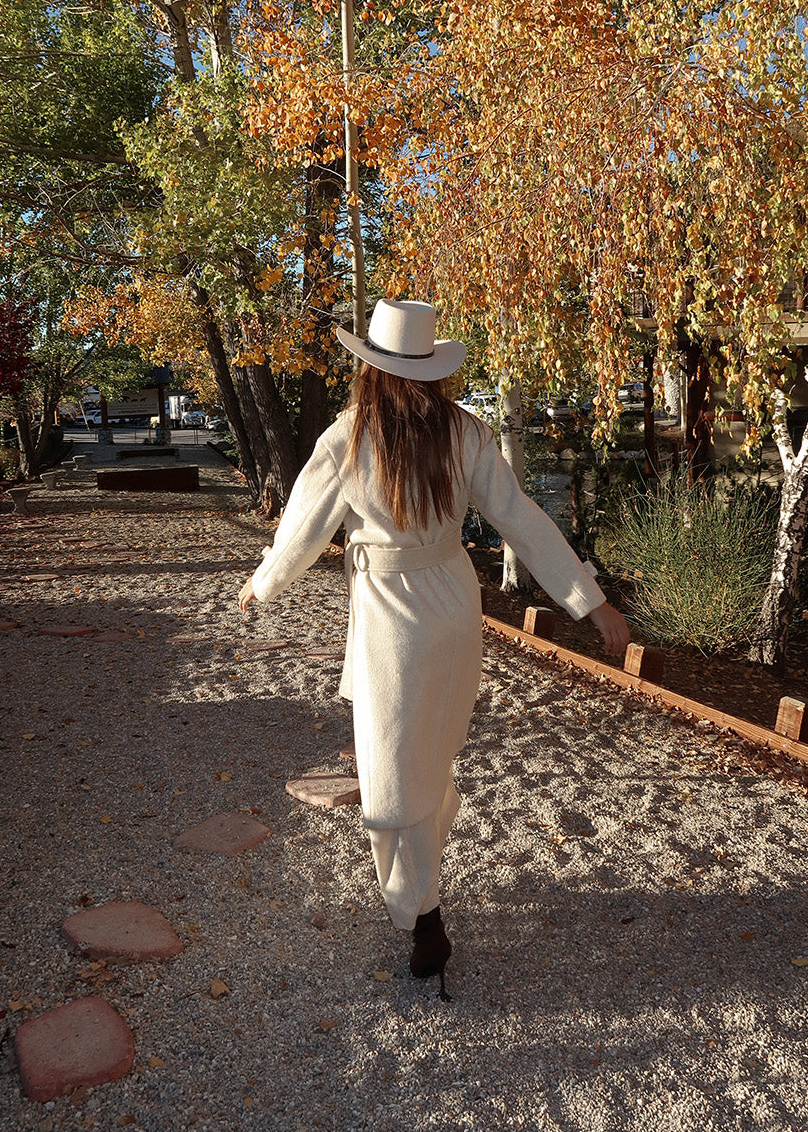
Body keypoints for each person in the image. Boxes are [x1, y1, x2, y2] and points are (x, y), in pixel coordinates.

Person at [238, 299, 630, 996]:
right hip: (453, 606)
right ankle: (424, 888)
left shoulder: (348, 438)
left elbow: (301, 527)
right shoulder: (466, 432)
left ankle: (422, 913)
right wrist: (588, 599)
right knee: (426, 755)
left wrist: (263, 583)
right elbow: (521, 518)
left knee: (391, 780)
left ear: (371, 371)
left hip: (395, 618)